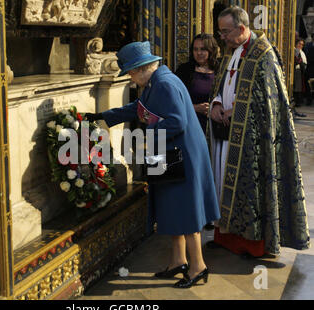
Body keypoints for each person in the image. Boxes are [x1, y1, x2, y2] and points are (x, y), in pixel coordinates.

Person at [86, 41, 220, 288]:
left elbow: (176, 122)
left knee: (186, 210)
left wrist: (146, 133)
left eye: (129, 73)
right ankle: (178, 261)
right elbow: (138, 109)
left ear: (140, 69)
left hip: (180, 156)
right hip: (173, 153)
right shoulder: (158, 81)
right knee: (173, 207)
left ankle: (198, 266)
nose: (129, 78)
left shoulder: (164, 84)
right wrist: (104, 117)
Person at [208, 6, 310, 258]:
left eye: (225, 32)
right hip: (225, 136)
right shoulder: (229, 53)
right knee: (222, 183)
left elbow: (269, 102)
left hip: (251, 141)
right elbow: (222, 85)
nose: (222, 37)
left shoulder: (263, 54)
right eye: (220, 32)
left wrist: (237, 112)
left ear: (242, 29)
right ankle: (225, 236)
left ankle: (251, 244)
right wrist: (217, 104)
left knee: (251, 189)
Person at [175, 33, 220, 231]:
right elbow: (174, 99)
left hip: (215, 128)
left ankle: (210, 213)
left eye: (203, 49)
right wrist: (195, 108)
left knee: (213, 169)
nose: (199, 53)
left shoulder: (221, 69)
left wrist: (213, 109)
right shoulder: (184, 70)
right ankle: (194, 212)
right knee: (194, 170)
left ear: (211, 50)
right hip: (191, 125)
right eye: (195, 49)